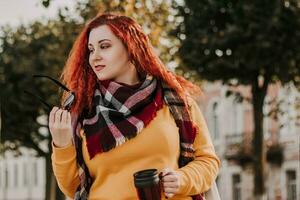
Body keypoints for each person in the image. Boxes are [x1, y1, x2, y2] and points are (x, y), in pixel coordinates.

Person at [50, 13, 220, 200]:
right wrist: (62, 143)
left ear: (131, 48)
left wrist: (181, 179)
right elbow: (72, 187)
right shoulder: (84, 110)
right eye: (91, 50)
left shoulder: (175, 100)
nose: (94, 57)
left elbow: (208, 161)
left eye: (104, 46)